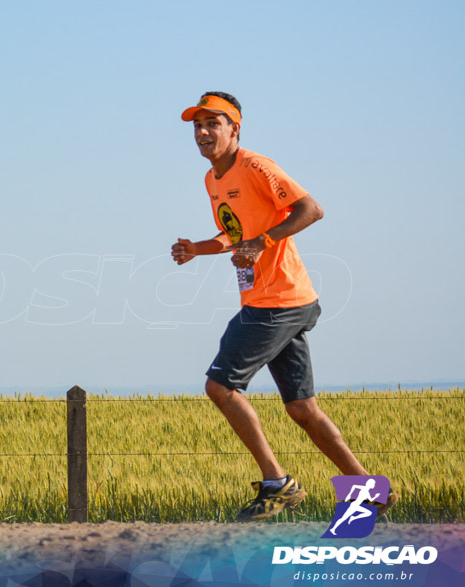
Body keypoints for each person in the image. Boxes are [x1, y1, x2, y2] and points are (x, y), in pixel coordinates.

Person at [170, 92, 398, 521]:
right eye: (196, 126)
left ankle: (278, 484)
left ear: (234, 128)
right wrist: (198, 249)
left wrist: (261, 243)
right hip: (284, 300)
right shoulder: (212, 180)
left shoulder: (255, 166)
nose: (202, 133)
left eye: (212, 124)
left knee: (220, 387)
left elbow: (311, 209)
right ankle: (369, 490)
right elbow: (235, 234)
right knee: (301, 408)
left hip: (276, 301)